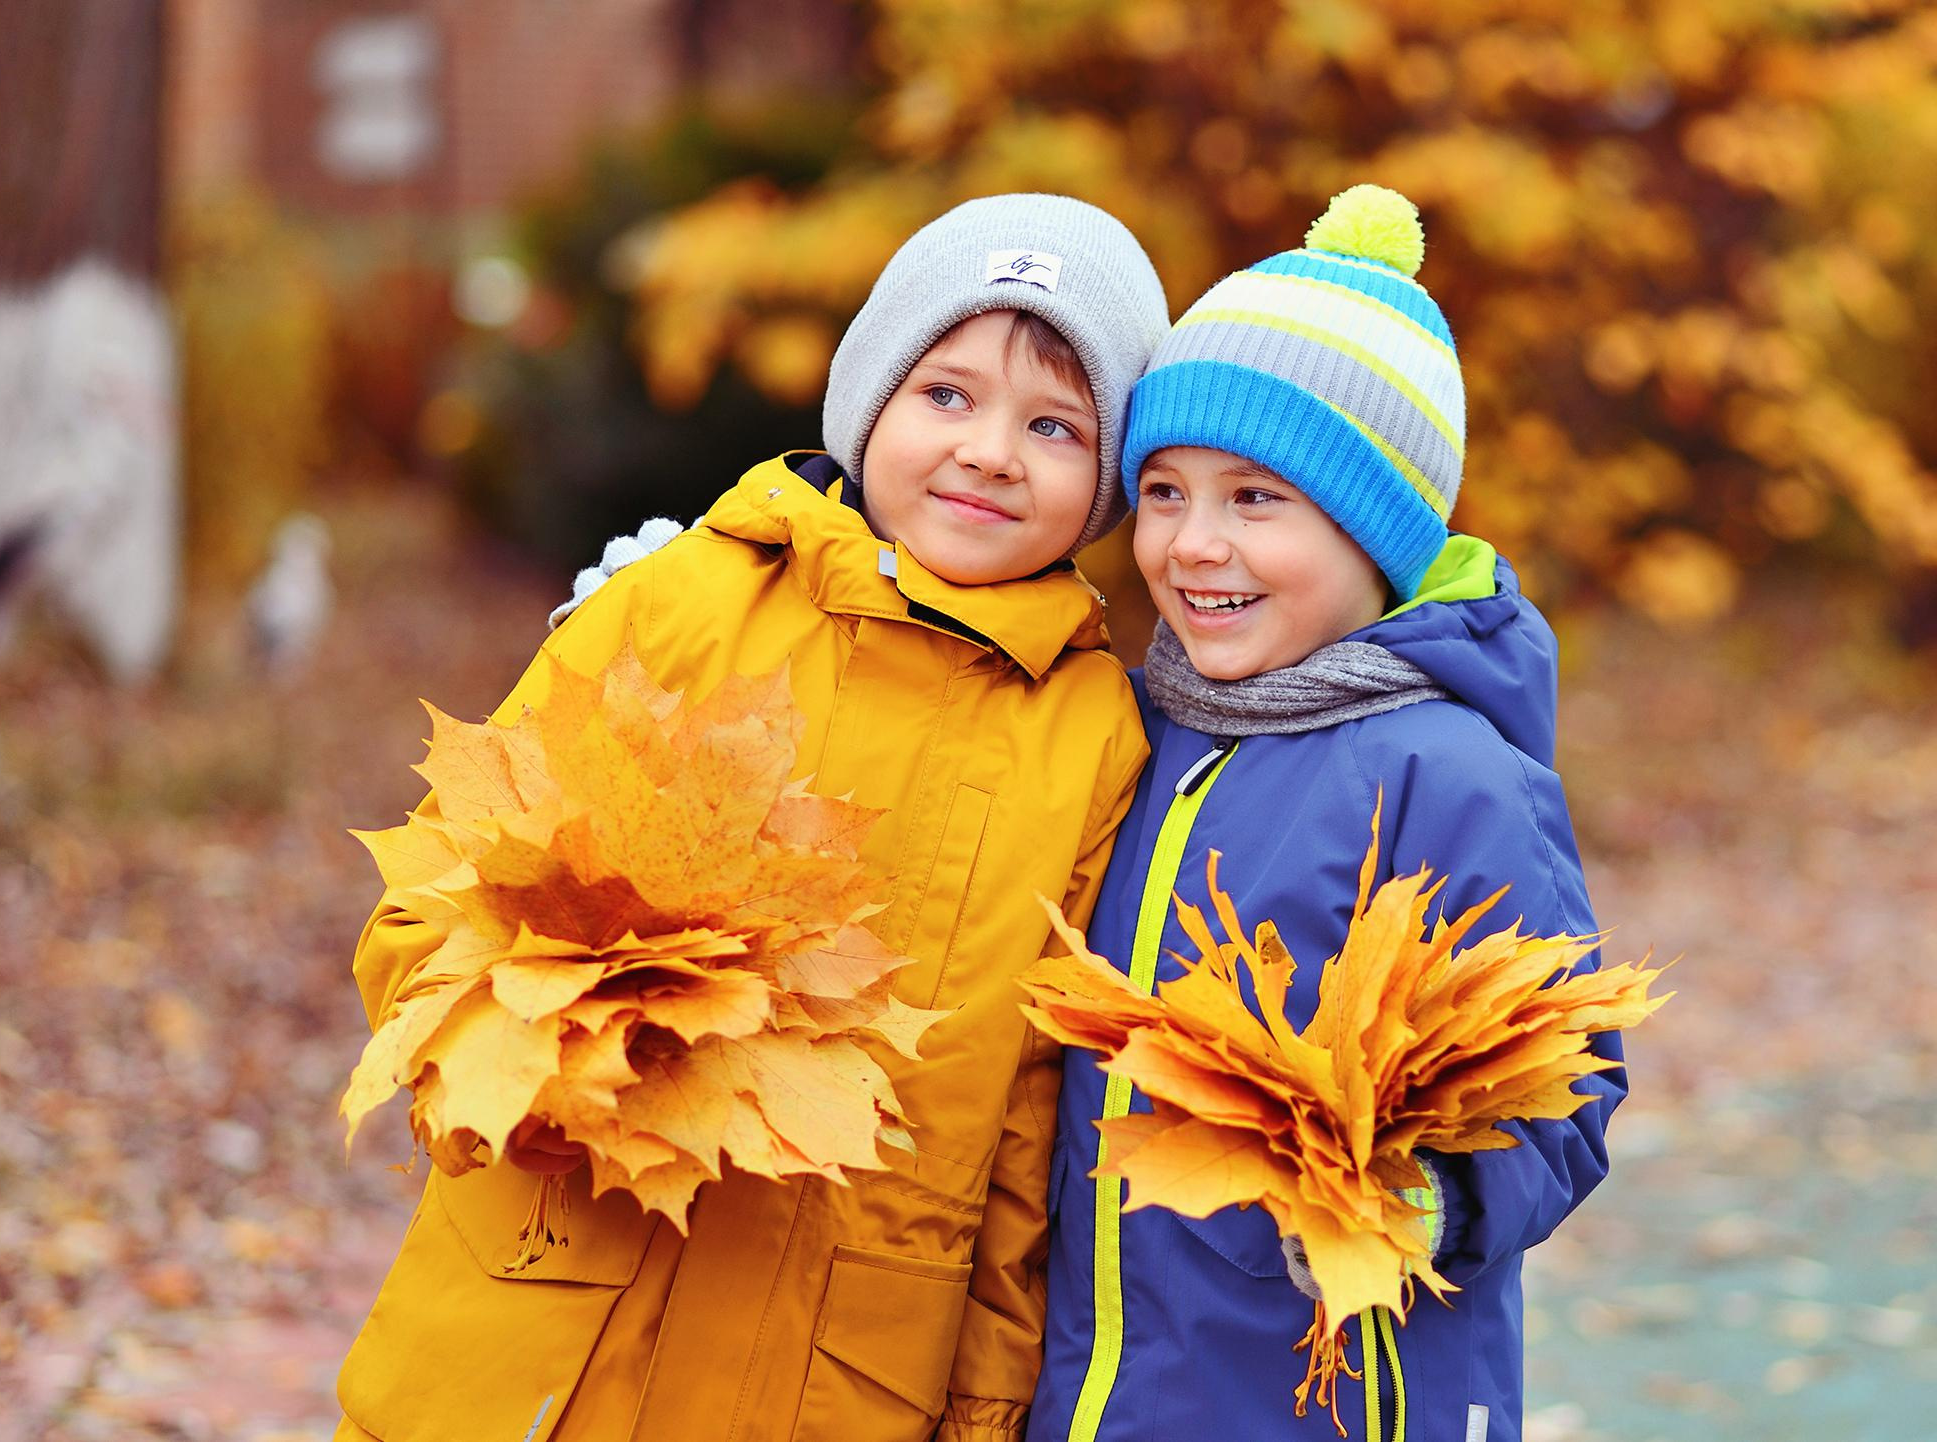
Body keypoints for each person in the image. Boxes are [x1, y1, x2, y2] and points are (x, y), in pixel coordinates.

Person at [336, 193, 1170, 1442]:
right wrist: (517, 1079)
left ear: (1104, 481)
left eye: (1053, 424)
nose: (992, 450)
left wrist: (991, 1406)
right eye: (947, 395)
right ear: (870, 398)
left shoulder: (1094, 734)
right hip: (551, 1325)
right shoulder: (685, 599)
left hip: (836, 1369)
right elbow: (450, 887)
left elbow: (1033, 1123)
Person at [1030, 186, 1625, 1442]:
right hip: (1107, 1390)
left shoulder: (1448, 771)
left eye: (1257, 499)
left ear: (1375, 533)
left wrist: (1435, 1193)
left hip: (1334, 1397)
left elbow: (1563, 1087)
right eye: (1167, 490)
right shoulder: (1134, 728)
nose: (1194, 543)